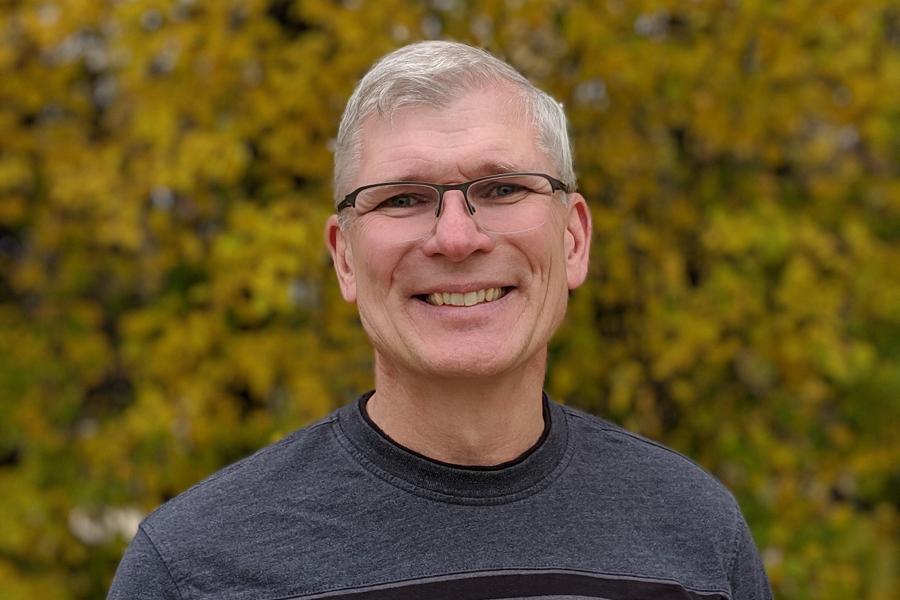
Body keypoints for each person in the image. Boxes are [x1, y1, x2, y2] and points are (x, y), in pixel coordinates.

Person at [108, 41, 772, 600]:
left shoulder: (696, 535)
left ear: (573, 239)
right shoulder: (195, 568)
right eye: (403, 198)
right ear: (344, 258)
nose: (456, 239)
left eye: (503, 188)